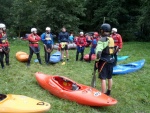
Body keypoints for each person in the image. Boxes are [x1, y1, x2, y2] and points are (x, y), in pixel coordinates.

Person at [95, 23, 115, 95]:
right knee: (109, 77)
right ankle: (108, 91)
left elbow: (98, 52)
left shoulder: (102, 40)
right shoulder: (111, 39)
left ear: (102, 31)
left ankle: (103, 94)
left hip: (103, 60)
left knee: (102, 78)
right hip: (110, 60)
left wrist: (97, 61)